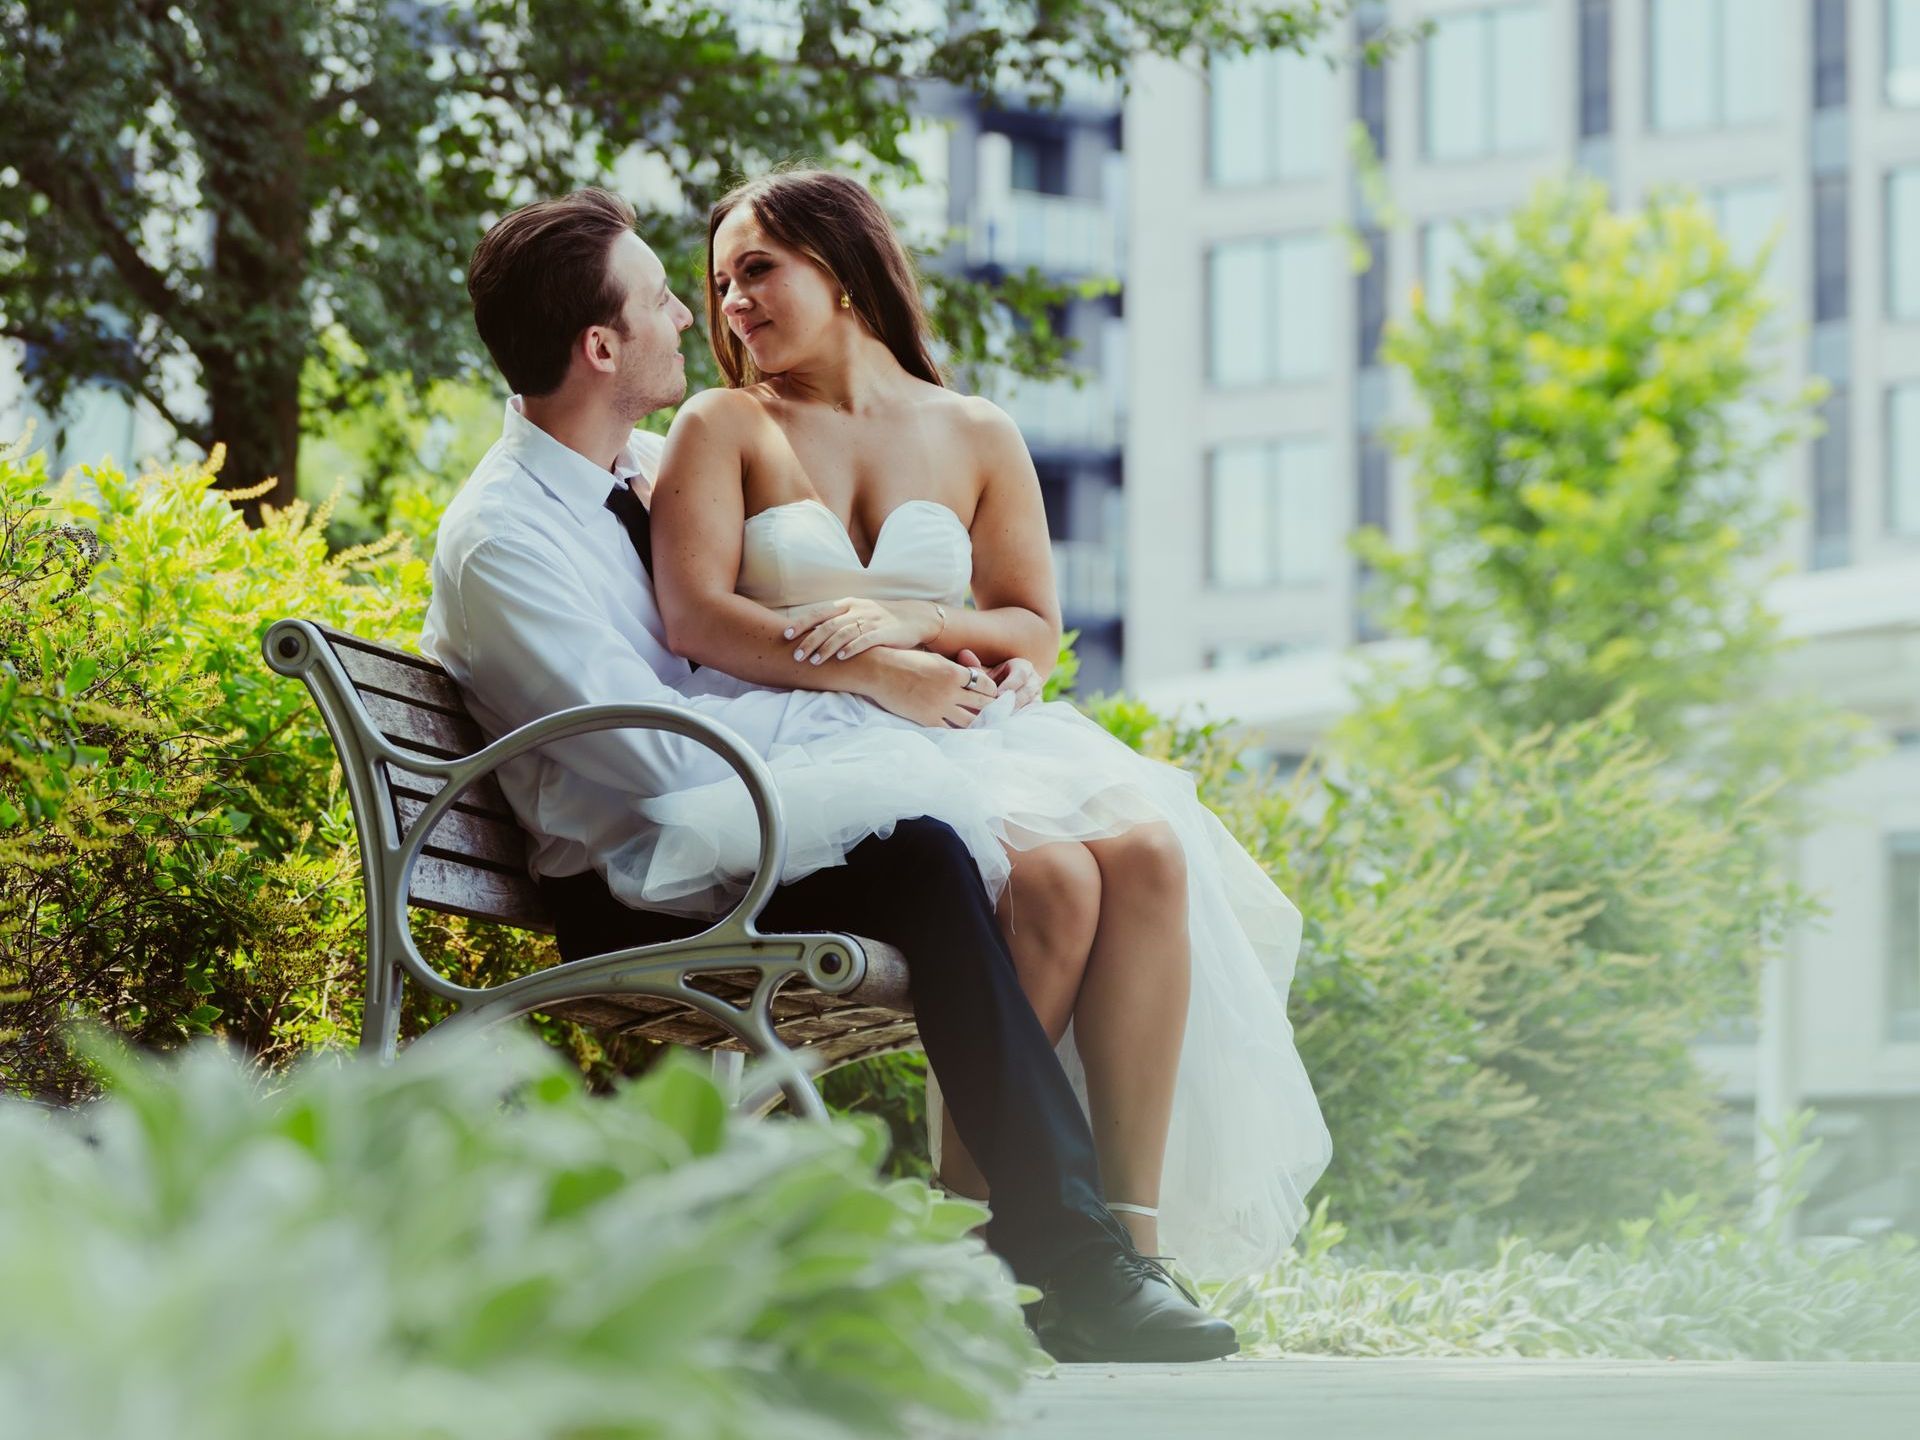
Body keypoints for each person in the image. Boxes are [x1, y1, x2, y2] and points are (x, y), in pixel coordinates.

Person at [421, 187, 1239, 1362]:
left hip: (733, 815)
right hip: (649, 870)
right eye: (669, 296)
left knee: (1012, 856)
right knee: (925, 847)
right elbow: (656, 762)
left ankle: (1066, 1247)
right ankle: (1065, 1253)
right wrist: (879, 704)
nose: (697, 314)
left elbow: (745, 645)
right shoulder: (508, 538)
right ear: (602, 346)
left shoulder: (637, 466)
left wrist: (922, 672)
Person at [642, 167, 1332, 1284]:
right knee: (1056, 881)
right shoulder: (724, 423)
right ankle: (982, 1236)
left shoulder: (977, 431)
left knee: (1150, 851)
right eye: (719, 283)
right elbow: (696, 616)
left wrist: (920, 618)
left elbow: (1033, 629)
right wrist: (878, 670)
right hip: (817, 736)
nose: (733, 304)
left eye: (757, 269)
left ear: (846, 268)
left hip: (970, 732)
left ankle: (1130, 1245)